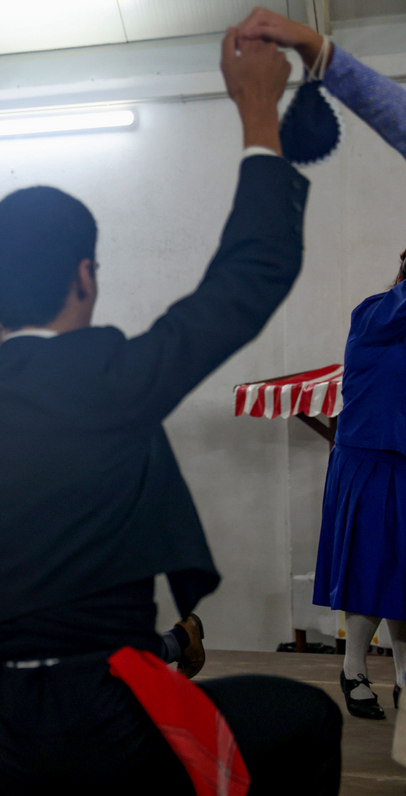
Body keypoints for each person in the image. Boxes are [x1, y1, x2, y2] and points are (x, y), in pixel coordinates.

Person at [0, 31, 343, 796]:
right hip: (109, 720)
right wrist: (257, 112)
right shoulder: (115, 379)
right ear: (86, 276)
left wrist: (22, 585)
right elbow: (253, 272)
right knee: (308, 718)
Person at [236, 5, 406, 722]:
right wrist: (318, 51)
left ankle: (386, 679)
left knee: (397, 583)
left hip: (395, 463)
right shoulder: (376, 316)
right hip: (371, 463)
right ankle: (354, 668)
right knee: (373, 579)